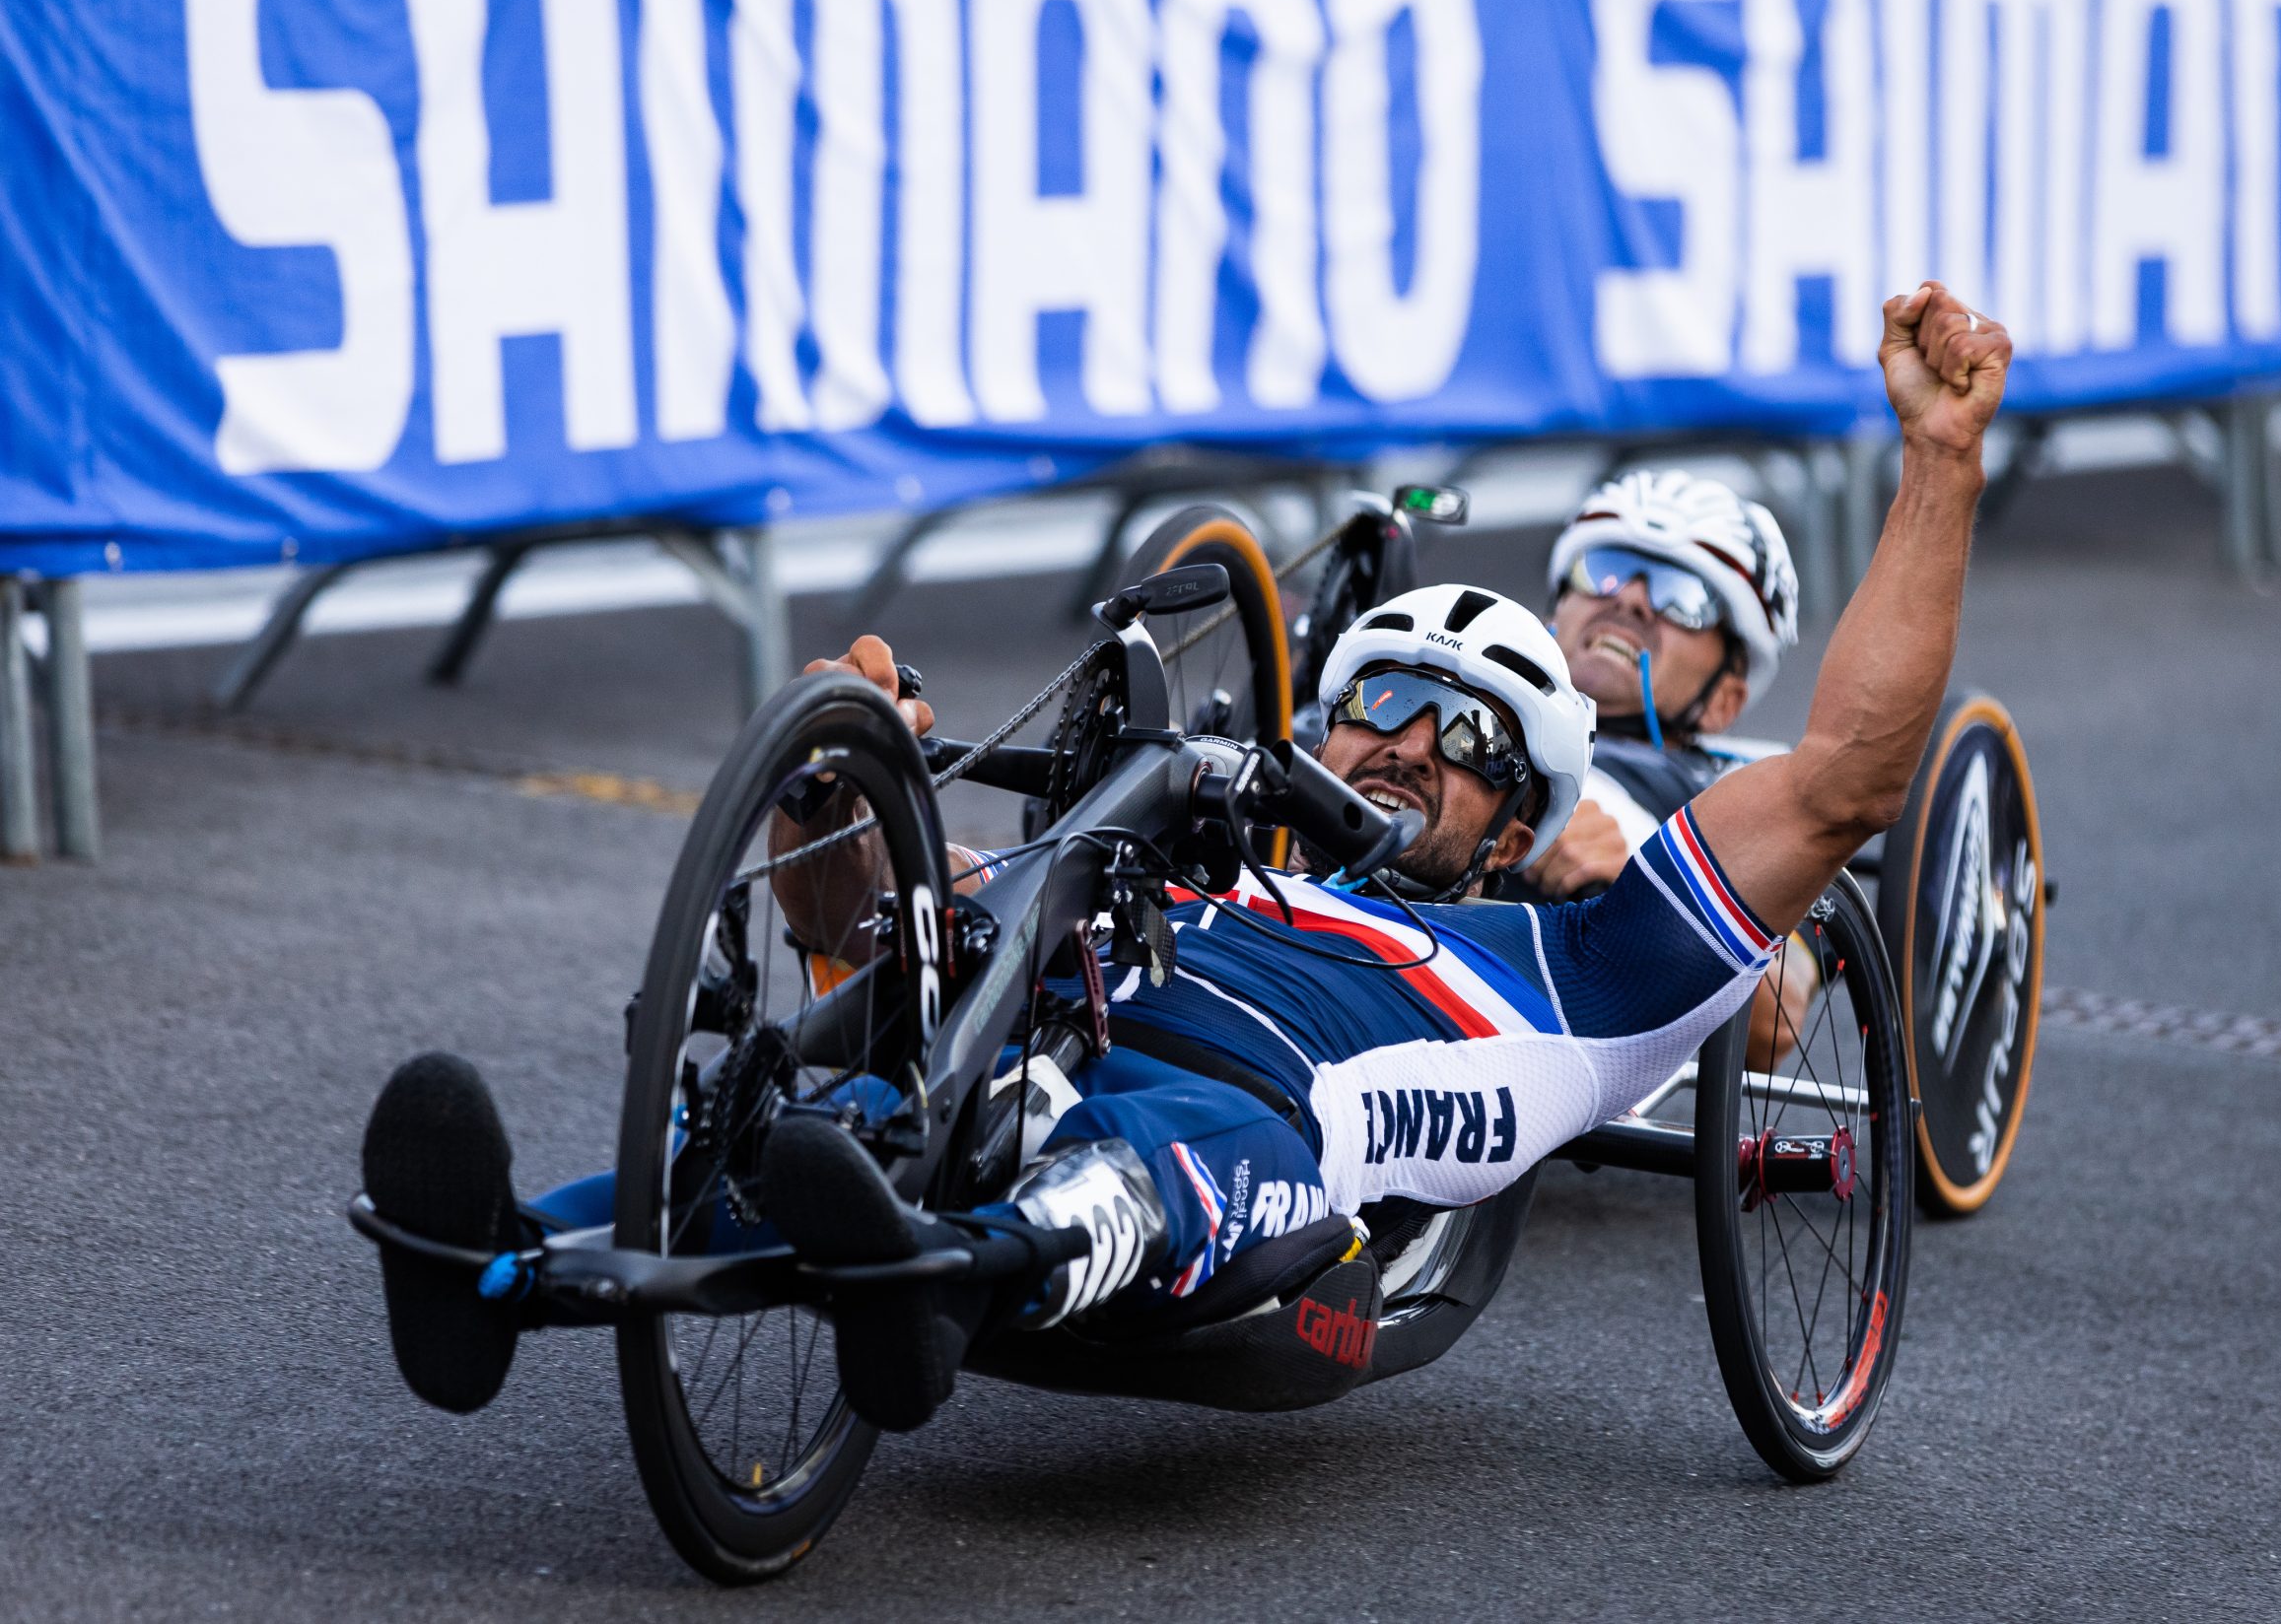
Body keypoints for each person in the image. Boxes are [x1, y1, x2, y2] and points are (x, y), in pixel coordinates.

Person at [359, 282, 2011, 1435]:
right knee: (852, 1072)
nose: (1404, 744)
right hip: (1054, 1035)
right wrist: (831, 809)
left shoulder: (1578, 964)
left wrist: (1936, 457)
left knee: (1190, 1129)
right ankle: (504, 1255)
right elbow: (876, 957)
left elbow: (1851, 779)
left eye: (1468, 739)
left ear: (1520, 820)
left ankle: (955, 1266)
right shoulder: (1203, 862)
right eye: (1377, 703)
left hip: (1271, 1184)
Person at [1512, 471, 1821, 1062]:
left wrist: (1644, 889)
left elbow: (1774, 1023)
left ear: (1725, 698)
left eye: (1683, 596)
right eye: (1602, 568)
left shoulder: (1745, 795)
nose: (1629, 597)